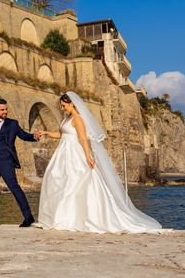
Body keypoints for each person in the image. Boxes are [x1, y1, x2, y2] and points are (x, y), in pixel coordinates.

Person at [34, 92, 165, 233]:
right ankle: (62, 217)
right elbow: (61, 134)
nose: (62, 108)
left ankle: (75, 218)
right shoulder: (67, 119)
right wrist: (45, 133)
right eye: (61, 106)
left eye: (64, 105)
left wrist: (88, 156)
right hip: (63, 153)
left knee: (74, 183)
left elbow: (83, 139)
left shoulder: (77, 119)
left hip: (74, 154)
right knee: (58, 180)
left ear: (72, 103)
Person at [0, 98, 39, 227]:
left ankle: (28, 217)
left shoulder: (12, 124)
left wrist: (33, 136)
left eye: (6, 109)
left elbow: (23, 135)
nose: (5, 111)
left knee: (14, 187)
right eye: (2, 109)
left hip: (6, 161)